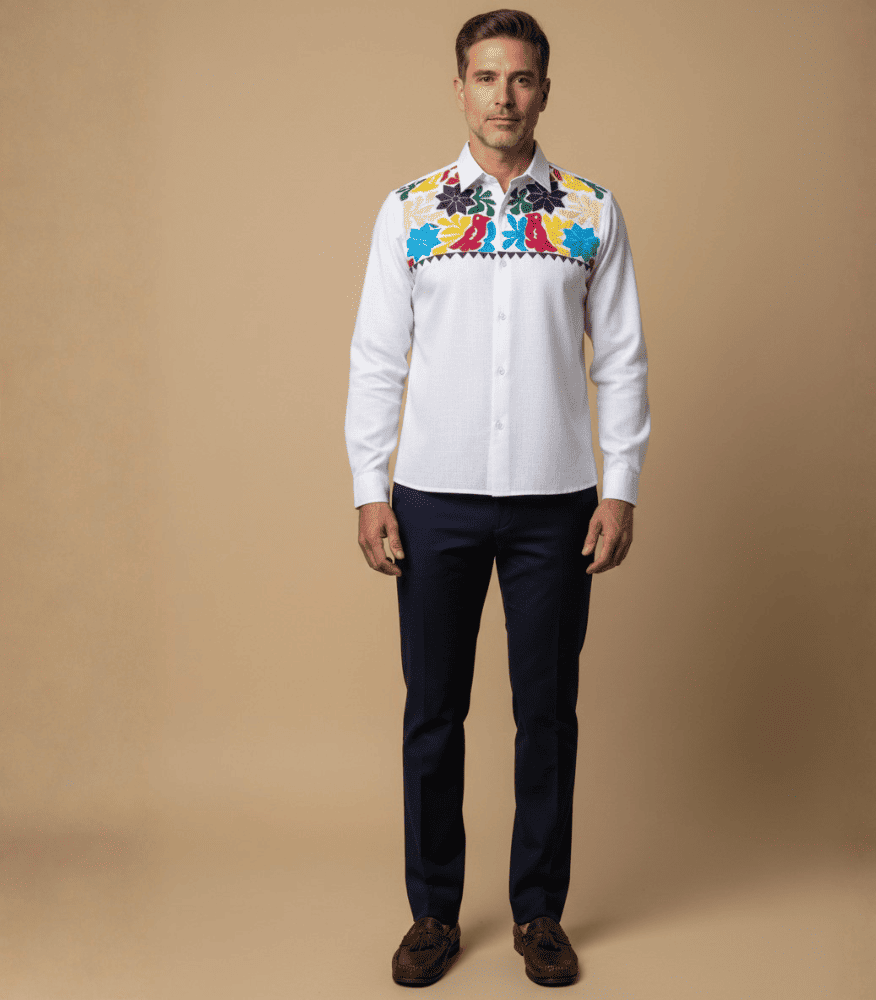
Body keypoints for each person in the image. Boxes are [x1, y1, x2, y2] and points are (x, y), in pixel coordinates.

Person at [345, 8, 650, 987]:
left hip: (556, 504)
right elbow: (377, 358)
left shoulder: (591, 211)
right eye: (486, 77)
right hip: (431, 501)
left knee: (547, 715)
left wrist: (621, 487)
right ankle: (433, 912)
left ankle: (539, 912)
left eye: (520, 78)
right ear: (459, 88)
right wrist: (369, 487)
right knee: (433, 711)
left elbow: (623, 360)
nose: (503, 96)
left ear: (544, 91)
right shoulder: (411, 210)